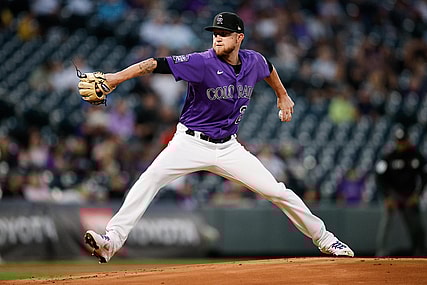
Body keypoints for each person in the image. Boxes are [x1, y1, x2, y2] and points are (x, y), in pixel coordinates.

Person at [83, 12, 354, 263]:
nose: (217, 37)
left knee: (277, 191)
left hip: (228, 148)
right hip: (189, 142)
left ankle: (325, 239)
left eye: (224, 33)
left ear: (239, 38)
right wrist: (114, 78)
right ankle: (112, 241)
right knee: (149, 180)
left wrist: (282, 95)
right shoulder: (201, 62)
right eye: (215, 33)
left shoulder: (253, 61)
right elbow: (153, 64)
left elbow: (269, 69)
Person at [375, 126, 427, 256]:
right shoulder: (389, 156)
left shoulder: (416, 156)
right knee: (386, 223)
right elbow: (380, 177)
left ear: (408, 140)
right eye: (399, 141)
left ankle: (420, 251)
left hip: (410, 194)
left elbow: (425, 175)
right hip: (394, 194)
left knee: (416, 225)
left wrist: (418, 194)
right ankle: (381, 251)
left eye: (403, 141)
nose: (401, 144)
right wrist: (387, 197)